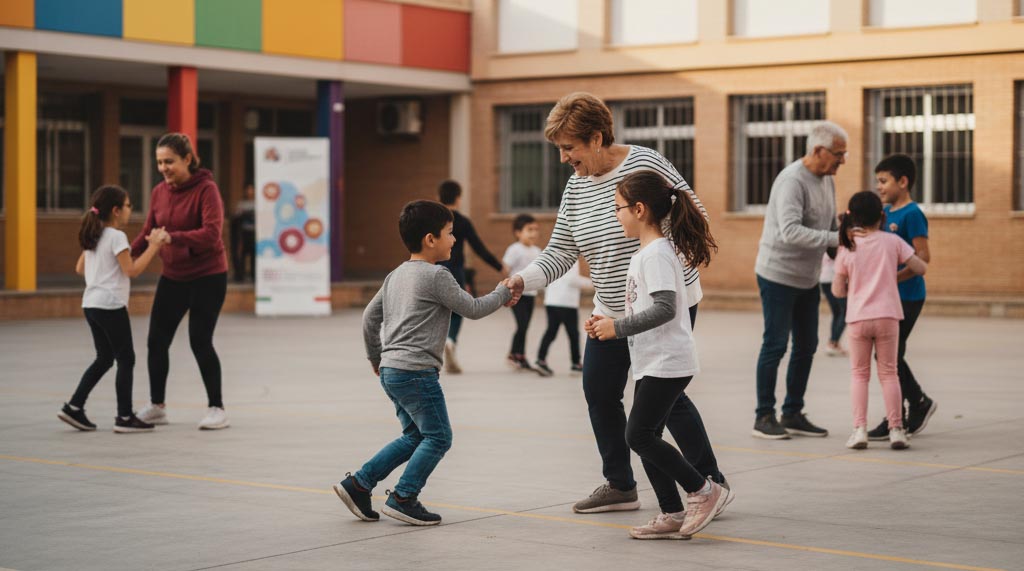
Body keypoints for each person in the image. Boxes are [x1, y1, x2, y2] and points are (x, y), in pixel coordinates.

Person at [502, 92, 727, 514]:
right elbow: (561, 250)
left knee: (663, 397)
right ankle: (621, 484)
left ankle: (710, 481)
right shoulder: (576, 186)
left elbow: (694, 218)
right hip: (609, 307)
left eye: (569, 147)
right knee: (599, 391)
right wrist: (523, 280)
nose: (563, 158)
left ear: (597, 138)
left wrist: (659, 273)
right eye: (559, 149)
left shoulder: (645, 164)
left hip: (663, 303)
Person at [332, 200, 511, 526]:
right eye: (450, 233)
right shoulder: (437, 276)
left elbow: (369, 318)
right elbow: (472, 309)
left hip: (391, 370)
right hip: (416, 373)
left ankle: (359, 485)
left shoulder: (396, 275)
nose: (454, 240)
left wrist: (377, 357)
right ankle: (404, 497)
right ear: (430, 239)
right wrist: (502, 292)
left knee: (415, 435)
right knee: (439, 437)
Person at [588, 171, 729, 540]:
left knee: (639, 435)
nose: (616, 215)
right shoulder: (647, 253)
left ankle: (703, 490)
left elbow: (665, 308)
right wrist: (608, 321)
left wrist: (617, 328)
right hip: (653, 360)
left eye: (618, 208)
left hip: (668, 361)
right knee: (646, 435)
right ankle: (671, 511)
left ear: (639, 209)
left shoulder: (656, 254)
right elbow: (644, 306)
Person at [752, 121, 848, 440]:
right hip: (778, 275)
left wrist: (843, 245)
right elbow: (789, 231)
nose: (842, 161)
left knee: (807, 345)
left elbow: (829, 224)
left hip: (808, 278)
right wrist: (837, 238)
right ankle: (764, 416)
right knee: (776, 344)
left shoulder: (827, 179)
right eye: (838, 154)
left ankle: (792, 412)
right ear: (818, 150)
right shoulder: (792, 180)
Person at [131, 133, 231, 431]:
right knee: (156, 341)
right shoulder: (159, 192)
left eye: (169, 161)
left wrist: (172, 238)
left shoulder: (207, 189)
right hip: (173, 276)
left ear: (187, 159)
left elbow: (211, 234)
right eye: (160, 162)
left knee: (200, 340)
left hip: (208, 275)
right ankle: (157, 407)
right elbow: (149, 231)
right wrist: (123, 253)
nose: (163, 168)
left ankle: (217, 409)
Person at [58, 185, 167, 433]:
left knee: (105, 358)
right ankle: (125, 417)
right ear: (116, 211)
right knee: (126, 359)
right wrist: (155, 246)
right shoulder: (116, 236)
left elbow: (79, 268)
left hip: (91, 304)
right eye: (128, 206)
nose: (130, 210)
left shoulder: (94, 234)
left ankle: (74, 407)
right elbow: (132, 270)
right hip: (110, 305)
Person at [832, 191, 927, 450]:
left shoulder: (847, 246)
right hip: (888, 316)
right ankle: (897, 429)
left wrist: (854, 285)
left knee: (859, 374)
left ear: (851, 217)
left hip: (858, 318)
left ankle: (859, 430)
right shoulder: (893, 241)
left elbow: (837, 290)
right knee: (889, 373)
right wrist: (893, 276)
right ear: (882, 216)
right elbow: (921, 267)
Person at [870, 154, 938, 441]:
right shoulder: (885, 213)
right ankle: (900, 412)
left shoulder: (912, 214)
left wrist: (893, 278)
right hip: (889, 298)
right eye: (877, 181)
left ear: (903, 181)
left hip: (909, 297)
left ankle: (914, 405)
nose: (879, 187)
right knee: (889, 356)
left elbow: (923, 257)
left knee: (889, 356)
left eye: (883, 181)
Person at [437, 180, 508, 374]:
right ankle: (451, 340)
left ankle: (432, 350)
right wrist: (499, 266)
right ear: (458, 199)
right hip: (455, 271)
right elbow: (478, 248)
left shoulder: (434, 221)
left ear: (439, 197)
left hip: (433, 270)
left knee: (435, 310)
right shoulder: (462, 221)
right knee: (457, 310)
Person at [534, 260, 589, 376]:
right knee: (573, 334)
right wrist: (593, 283)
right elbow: (572, 279)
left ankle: (541, 359)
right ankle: (575, 363)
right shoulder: (572, 258)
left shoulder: (555, 255)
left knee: (551, 332)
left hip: (552, 301)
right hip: (566, 303)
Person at [503, 214, 542, 372]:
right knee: (522, 324)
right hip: (515, 294)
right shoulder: (514, 249)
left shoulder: (538, 251)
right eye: (529, 230)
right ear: (518, 233)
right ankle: (513, 354)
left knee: (525, 326)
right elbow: (506, 268)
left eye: (535, 230)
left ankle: (521, 355)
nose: (533, 233)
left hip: (531, 294)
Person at [819, 251, 847, 356]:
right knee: (845, 312)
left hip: (824, 279)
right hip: (834, 278)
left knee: (837, 312)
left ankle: (834, 342)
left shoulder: (825, 244)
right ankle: (833, 342)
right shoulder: (840, 245)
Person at [230, 182, 256, 283]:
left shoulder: (258, 203)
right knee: (242, 254)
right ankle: (241, 275)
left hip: (254, 232)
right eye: (248, 189)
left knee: (254, 254)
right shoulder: (241, 204)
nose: (250, 191)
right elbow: (236, 216)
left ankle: (254, 275)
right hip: (244, 232)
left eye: (251, 189)